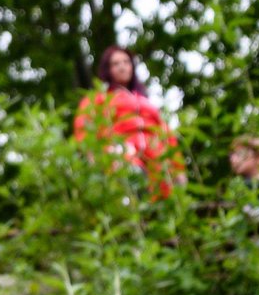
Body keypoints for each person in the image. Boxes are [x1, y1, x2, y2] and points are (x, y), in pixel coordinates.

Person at [73, 45, 187, 198]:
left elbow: (168, 136)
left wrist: (178, 169)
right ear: (107, 69)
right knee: (133, 179)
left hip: (154, 158)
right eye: (116, 64)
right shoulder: (100, 98)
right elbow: (84, 127)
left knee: (163, 197)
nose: (122, 67)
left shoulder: (146, 102)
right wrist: (92, 155)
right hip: (122, 154)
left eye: (126, 62)